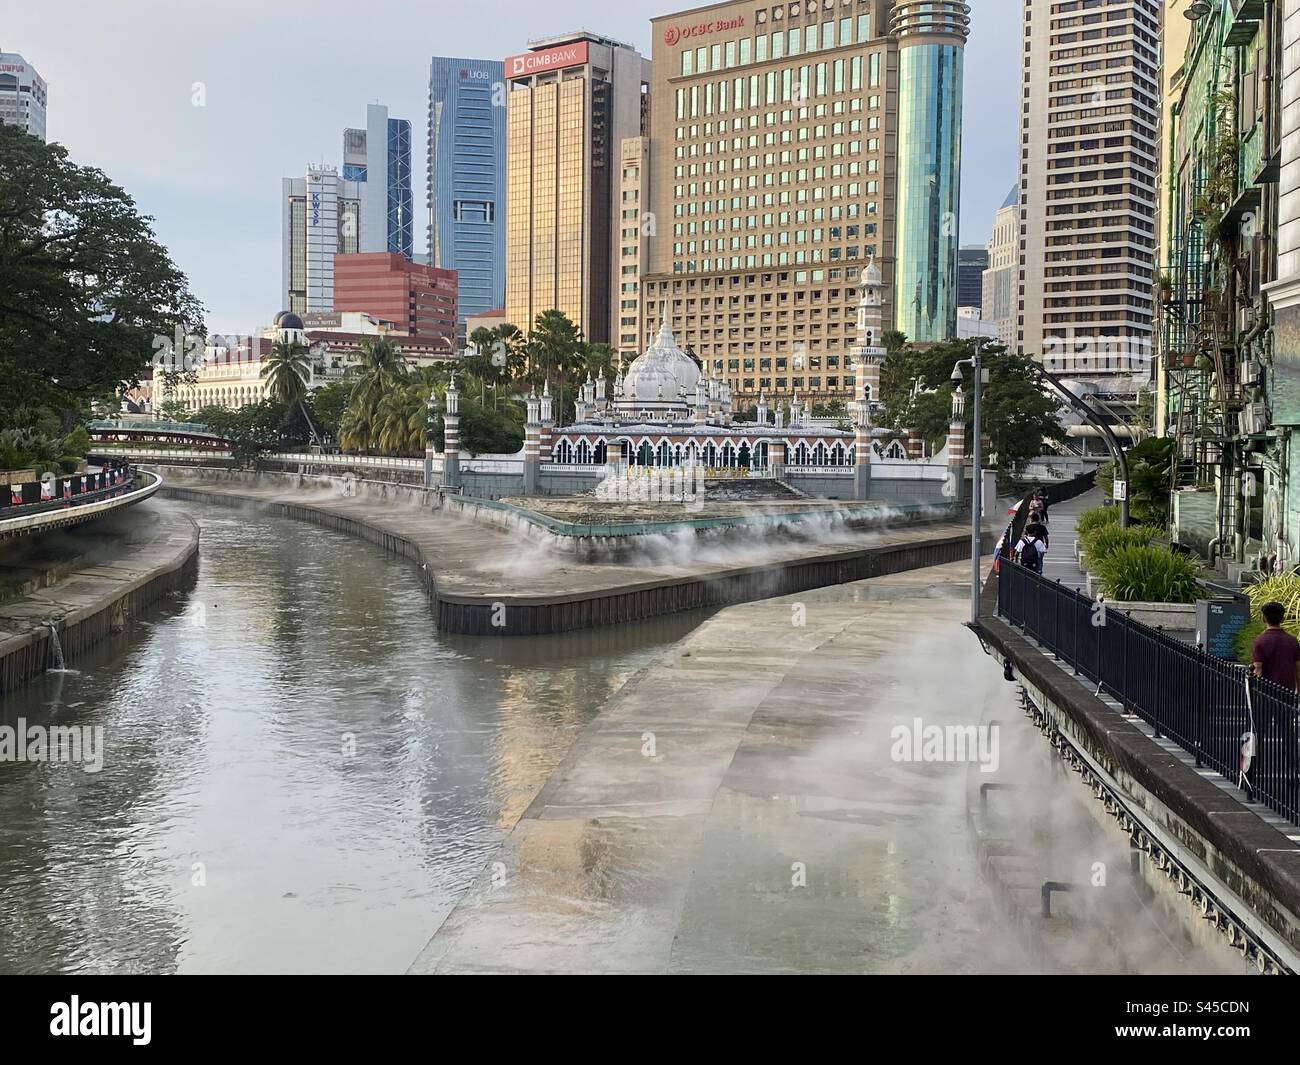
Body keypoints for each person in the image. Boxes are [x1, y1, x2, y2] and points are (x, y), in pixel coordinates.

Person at [1251, 601, 1300, 692]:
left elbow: (1258, 667)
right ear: (1283, 619)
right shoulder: (1292, 641)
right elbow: (1298, 668)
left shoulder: (1260, 641)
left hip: (1266, 691)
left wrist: (1253, 690)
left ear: (1264, 619)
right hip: (1287, 691)